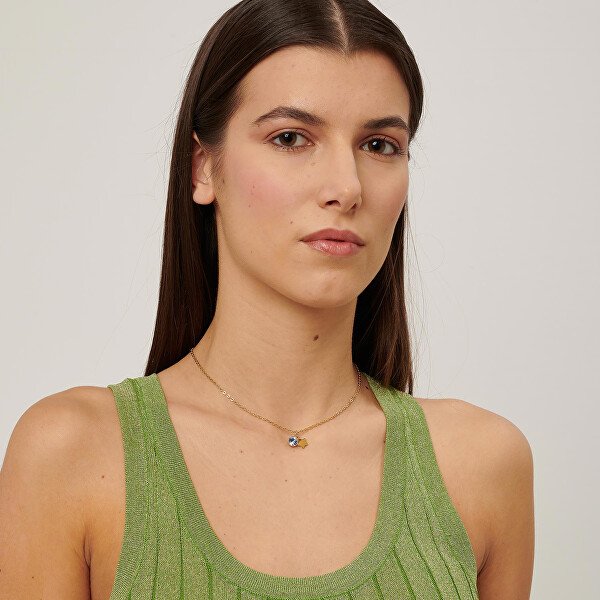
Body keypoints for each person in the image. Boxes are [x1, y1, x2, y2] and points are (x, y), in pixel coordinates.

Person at [0, 0, 535, 598]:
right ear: (204, 168)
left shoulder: (482, 466)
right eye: (290, 138)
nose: (346, 187)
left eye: (380, 145)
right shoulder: (72, 455)